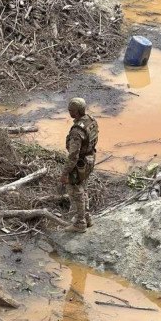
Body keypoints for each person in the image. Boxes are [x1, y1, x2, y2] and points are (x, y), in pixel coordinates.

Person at [60, 98, 99, 233]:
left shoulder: (77, 131)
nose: (69, 112)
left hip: (79, 164)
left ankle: (80, 223)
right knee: (83, 188)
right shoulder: (91, 121)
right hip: (90, 160)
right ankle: (87, 217)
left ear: (76, 112)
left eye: (70, 110)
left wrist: (65, 173)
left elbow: (73, 156)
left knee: (75, 191)